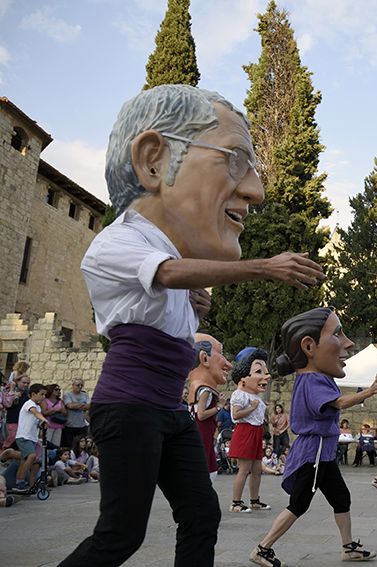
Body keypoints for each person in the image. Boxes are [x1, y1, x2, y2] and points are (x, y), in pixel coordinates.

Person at [60, 84, 325, 567]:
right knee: (121, 534)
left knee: (201, 514)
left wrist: (193, 308)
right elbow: (164, 272)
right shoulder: (115, 242)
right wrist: (263, 267)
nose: (255, 190)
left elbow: (170, 294)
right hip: (129, 409)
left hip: (168, 412)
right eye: (234, 160)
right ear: (153, 160)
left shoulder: (172, 270)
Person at [249, 308, 377, 567]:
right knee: (299, 504)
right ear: (309, 346)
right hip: (314, 452)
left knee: (341, 498)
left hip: (322, 452)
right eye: (338, 334)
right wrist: (369, 392)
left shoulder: (315, 377)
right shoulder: (312, 380)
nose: (347, 343)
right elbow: (339, 403)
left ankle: (348, 547)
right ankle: (263, 548)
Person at [229, 348, 272, 513]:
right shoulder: (240, 394)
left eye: (265, 371)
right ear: (243, 379)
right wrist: (252, 408)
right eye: (259, 371)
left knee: (256, 469)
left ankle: (255, 500)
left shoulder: (256, 397)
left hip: (256, 432)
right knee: (244, 469)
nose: (266, 376)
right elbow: (236, 415)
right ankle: (236, 502)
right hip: (245, 431)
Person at [188, 333, 231, 481]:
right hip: (203, 432)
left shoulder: (197, 387)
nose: (229, 364)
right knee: (204, 465)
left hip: (203, 433)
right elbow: (201, 414)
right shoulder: (205, 390)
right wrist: (218, 407)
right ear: (204, 358)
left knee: (209, 464)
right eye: (221, 354)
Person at [10, 383, 48, 493]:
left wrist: (41, 424)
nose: (43, 397)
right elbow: (35, 413)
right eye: (41, 394)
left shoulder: (37, 407)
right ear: (33, 394)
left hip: (31, 438)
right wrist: (44, 419)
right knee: (31, 456)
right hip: (23, 436)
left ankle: (18, 483)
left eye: (44, 395)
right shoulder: (29, 403)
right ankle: (21, 481)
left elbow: (36, 421)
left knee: (24, 460)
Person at [60, 379, 90, 449]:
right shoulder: (67, 394)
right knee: (69, 446)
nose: (80, 387)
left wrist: (75, 405)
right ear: (73, 386)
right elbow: (69, 406)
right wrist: (83, 405)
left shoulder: (85, 395)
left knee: (81, 446)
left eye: (81, 385)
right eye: (77, 385)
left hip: (81, 425)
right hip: (70, 425)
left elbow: (89, 406)